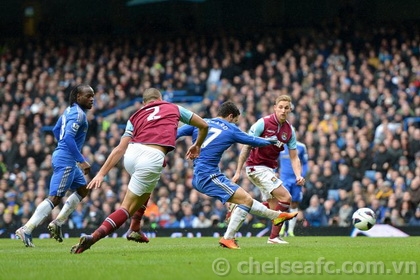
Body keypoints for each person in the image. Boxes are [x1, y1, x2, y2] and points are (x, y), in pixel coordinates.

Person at [70, 88, 208, 254]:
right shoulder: (174, 107)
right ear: (160, 99)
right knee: (126, 208)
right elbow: (204, 125)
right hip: (152, 157)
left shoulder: (135, 116)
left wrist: (101, 173)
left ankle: (135, 229)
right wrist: (197, 145)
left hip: (131, 154)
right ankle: (93, 237)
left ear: (144, 103)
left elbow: (120, 148)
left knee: (147, 187)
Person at [176, 101, 297, 249]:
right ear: (230, 116)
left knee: (245, 199)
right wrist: (269, 141)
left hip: (203, 174)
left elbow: (178, 133)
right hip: (208, 176)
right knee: (245, 200)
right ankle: (229, 238)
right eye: (235, 121)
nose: (235, 124)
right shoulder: (231, 129)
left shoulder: (201, 122)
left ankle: (276, 216)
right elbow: (251, 140)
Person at [15, 84, 95, 247]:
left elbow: (56, 129)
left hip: (66, 157)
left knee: (82, 189)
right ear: (78, 97)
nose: (92, 98)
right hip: (67, 159)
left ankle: (57, 223)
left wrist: (64, 148)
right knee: (55, 197)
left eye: (93, 95)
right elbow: (68, 138)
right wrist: (81, 159)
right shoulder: (79, 115)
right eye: (88, 96)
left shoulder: (68, 111)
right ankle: (27, 228)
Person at [232, 94, 305, 244]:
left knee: (274, 210)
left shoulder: (289, 130)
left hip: (269, 169)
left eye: (286, 108)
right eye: (280, 107)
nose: (283, 110)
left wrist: (298, 175)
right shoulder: (263, 123)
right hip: (256, 167)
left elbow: (293, 156)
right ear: (275, 108)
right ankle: (274, 237)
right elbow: (247, 146)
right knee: (286, 198)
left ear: (290, 110)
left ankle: (243, 209)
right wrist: (238, 171)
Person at [278, 139, 308, 237]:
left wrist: (301, 175)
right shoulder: (280, 146)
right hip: (284, 179)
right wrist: (274, 171)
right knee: (283, 203)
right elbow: (273, 160)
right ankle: (281, 229)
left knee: (294, 204)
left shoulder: (301, 147)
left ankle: (290, 231)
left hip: (296, 180)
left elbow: (305, 163)